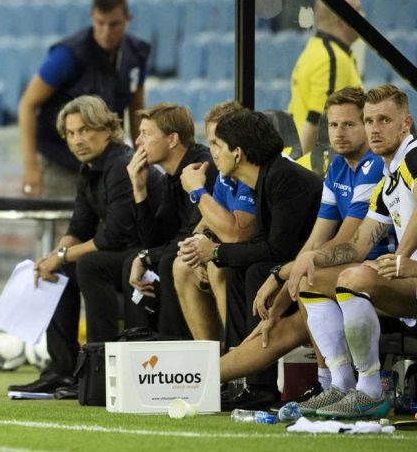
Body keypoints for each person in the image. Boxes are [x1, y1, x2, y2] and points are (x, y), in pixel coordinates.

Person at [234, 84, 411, 418]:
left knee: (347, 277)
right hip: (390, 273)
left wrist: (286, 272)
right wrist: (300, 267)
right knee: (310, 281)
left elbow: (357, 249)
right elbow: (345, 243)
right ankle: (337, 385)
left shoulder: (405, 160)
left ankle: (369, 390)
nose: (374, 128)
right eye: (369, 120)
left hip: (393, 273)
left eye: (381, 120)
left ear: (405, 124)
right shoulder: (379, 174)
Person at [179, 110, 323, 410]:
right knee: (238, 267)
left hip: (314, 271)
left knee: (256, 268)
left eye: (217, 144)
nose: (212, 152)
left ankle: (260, 384)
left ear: (238, 152)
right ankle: (247, 378)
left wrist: (216, 252)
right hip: (294, 265)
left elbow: (277, 249)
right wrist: (217, 253)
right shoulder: (266, 177)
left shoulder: (284, 176)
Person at [7, 95, 146, 399]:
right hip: (120, 253)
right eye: (70, 134)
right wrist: (52, 258)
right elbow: (79, 227)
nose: (77, 140)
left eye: (85, 130)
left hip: (143, 254)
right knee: (59, 269)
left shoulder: (121, 164)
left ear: (108, 129)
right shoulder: (89, 169)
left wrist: (62, 255)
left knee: (87, 265)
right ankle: (62, 370)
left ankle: (98, 367)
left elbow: (115, 236)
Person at [18, 0, 150, 199]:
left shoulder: (136, 55)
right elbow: (27, 104)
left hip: (106, 164)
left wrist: (140, 157)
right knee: (62, 228)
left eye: (114, 24)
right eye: (100, 23)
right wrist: (30, 164)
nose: (106, 31)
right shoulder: (68, 56)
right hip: (59, 162)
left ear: (128, 19)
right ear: (92, 17)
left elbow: (136, 109)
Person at [121, 103, 217, 338]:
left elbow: (191, 234)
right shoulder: (170, 178)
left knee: (167, 260)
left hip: (214, 249)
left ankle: (172, 352)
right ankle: (140, 344)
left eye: (145, 134)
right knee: (132, 262)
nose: (138, 143)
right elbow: (153, 239)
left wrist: (148, 256)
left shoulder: (202, 168)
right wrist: (139, 188)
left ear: (172, 139)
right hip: (185, 249)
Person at [173, 101, 257, 342]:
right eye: (211, 143)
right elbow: (208, 221)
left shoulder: (249, 172)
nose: (214, 152)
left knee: (217, 265)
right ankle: (211, 359)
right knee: (182, 264)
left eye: (218, 144)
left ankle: (236, 355)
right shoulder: (224, 174)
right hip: (237, 249)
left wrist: (197, 191)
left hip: (266, 254)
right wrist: (196, 243)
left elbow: (235, 234)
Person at [287, 0, 364, 155]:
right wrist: (299, 171)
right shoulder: (332, 59)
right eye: (358, 10)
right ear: (342, 21)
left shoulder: (314, 49)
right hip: (320, 168)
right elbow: (317, 120)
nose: (363, 16)